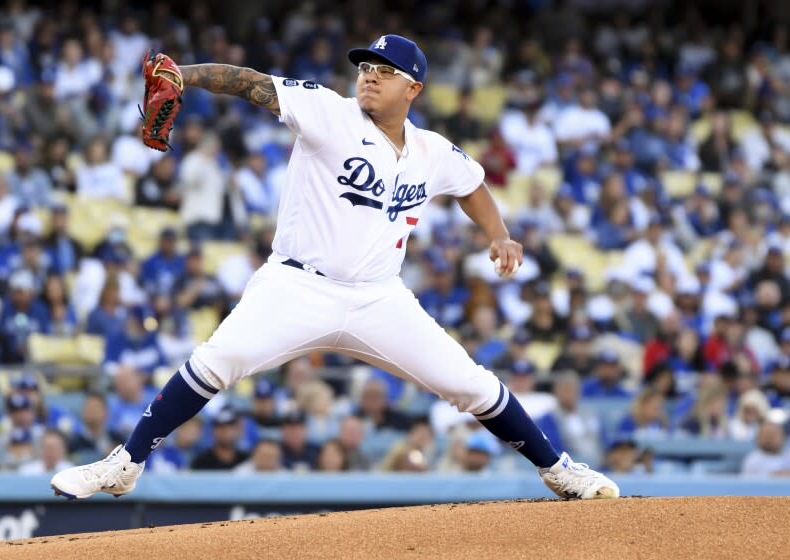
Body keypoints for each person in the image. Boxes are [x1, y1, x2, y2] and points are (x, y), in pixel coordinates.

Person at [51, 35, 618, 500]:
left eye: (386, 69)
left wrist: (499, 235)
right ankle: (125, 462)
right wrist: (186, 75)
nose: (370, 75)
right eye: (366, 66)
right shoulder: (329, 112)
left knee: (471, 384)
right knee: (216, 360)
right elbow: (251, 83)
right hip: (296, 285)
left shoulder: (432, 151)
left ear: (413, 87)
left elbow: (472, 186)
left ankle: (558, 470)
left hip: (378, 297)